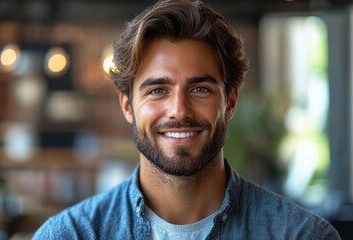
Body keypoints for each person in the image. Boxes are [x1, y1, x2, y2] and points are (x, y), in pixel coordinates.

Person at [33, 0, 341, 239]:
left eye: (200, 88)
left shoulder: (300, 234)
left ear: (230, 102)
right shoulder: (69, 235)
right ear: (127, 105)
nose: (179, 110)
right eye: (157, 90)